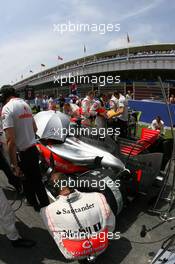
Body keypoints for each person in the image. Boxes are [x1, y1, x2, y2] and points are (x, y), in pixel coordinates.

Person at [41, 172, 115, 261]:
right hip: (102, 247)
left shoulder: (46, 211)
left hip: (74, 254)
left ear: (53, 191)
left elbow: (57, 238)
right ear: (71, 183)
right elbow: (111, 226)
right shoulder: (98, 196)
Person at [0, 85, 50, 211]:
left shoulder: (7, 108)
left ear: (3, 96)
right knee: (37, 181)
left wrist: (13, 164)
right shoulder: (25, 104)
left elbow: (10, 140)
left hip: (21, 153)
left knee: (25, 179)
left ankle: (34, 204)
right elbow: (35, 128)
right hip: (33, 149)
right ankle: (46, 208)